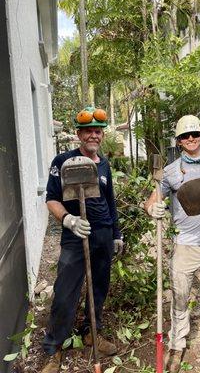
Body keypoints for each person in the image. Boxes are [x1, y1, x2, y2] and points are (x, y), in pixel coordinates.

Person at [145, 115, 200, 373]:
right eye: (185, 136)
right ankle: (177, 343)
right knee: (181, 295)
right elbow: (151, 202)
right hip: (185, 244)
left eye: (195, 133)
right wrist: (154, 209)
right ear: (179, 141)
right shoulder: (171, 172)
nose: (191, 139)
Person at [42, 106, 123, 373]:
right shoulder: (64, 162)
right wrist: (69, 220)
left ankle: (92, 332)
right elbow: (52, 199)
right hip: (75, 235)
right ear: (79, 134)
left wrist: (116, 234)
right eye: (88, 131)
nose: (93, 136)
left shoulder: (104, 164)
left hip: (102, 234)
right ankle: (53, 348)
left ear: (102, 135)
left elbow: (109, 201)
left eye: (97, 131)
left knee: (98, 288)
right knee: (66, 292)